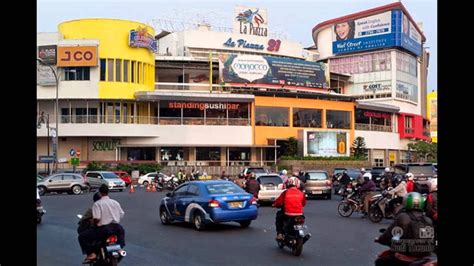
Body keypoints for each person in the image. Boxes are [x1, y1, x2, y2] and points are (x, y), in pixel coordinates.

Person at [375, 192, 434, 266]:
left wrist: (380, 239)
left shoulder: (403, 217)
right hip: (424, 258)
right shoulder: (428, 220)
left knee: (380, 262)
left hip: (406, 258)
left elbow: (388, 234)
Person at [79, 185, 125, 263]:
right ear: (108, 192)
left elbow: (97, 218)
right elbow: (121, 214)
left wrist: (94, 224)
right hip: (117, 228)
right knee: (121, 237)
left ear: (100, 193)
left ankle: (91, 254)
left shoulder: (97, 204)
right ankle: (119, 248)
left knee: (82, 237)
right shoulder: (115, 202)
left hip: (104, 229)